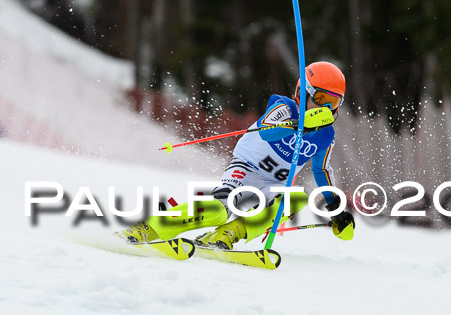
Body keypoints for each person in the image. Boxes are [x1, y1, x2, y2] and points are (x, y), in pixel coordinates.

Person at [119, 61, 355, 249]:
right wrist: (298, 125)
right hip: (246, 171)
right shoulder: (283, 107)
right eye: (320, 99)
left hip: (273, 184)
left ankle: (228, 235)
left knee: (295, 199)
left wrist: (336, 208)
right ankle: (150, 228)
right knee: (218, 210)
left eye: (333, 102)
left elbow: (321, 170)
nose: (325, 108)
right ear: (303, 92)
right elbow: (269, 134)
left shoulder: (325, 136)